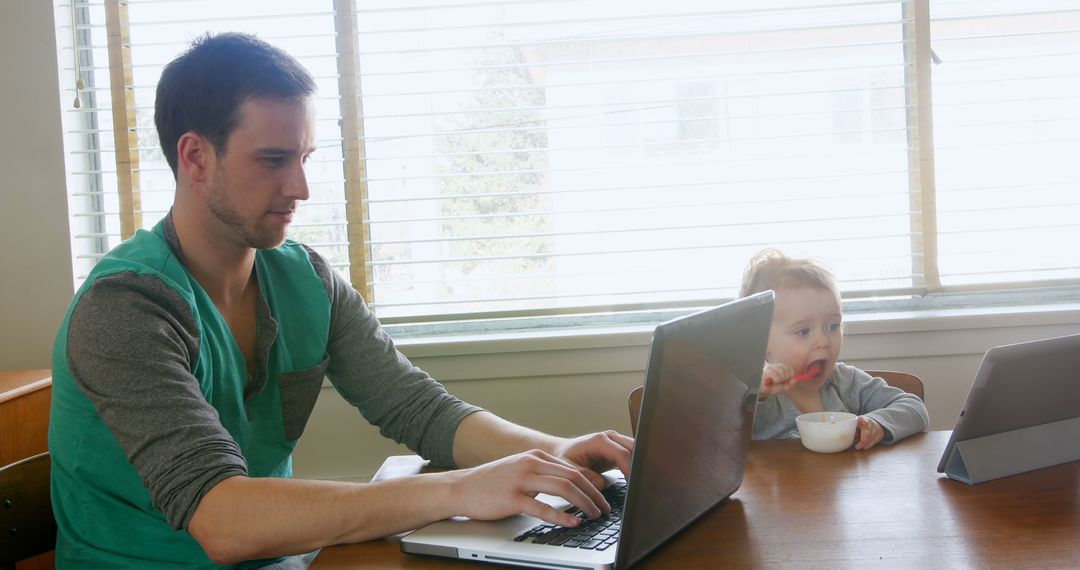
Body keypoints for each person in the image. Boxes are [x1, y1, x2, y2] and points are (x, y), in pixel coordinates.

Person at [49, 32, 633, 569]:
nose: (300, 187)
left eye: (304, 159)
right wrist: (458, 490)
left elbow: (420, 409)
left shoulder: (305, 278)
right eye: (274, 160)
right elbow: (222, 519)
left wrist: (556, 453)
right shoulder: (125, 307)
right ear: (196, 157)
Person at [740, 249, 929, 449]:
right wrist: (755, 392)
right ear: (762, 343)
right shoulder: (758, 395)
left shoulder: (845, 382)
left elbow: (914, 408)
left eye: (832, 326)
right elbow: (716, 433)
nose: (823, 340)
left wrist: (878, 424)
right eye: (803, 331)